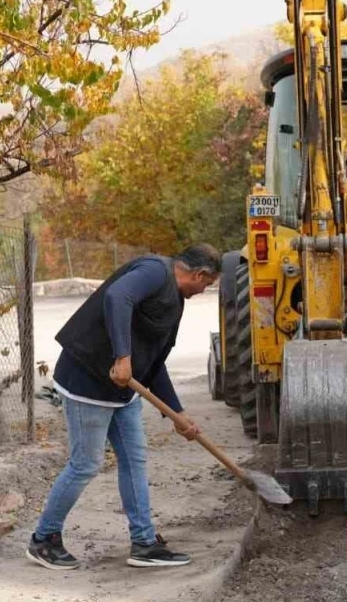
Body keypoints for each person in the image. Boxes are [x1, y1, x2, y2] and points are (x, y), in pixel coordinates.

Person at [27, 244, 221, 571]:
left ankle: (144, 542)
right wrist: (122, 357)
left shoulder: (174, 302)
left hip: (123, 391)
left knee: (134, 459)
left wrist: (176, 413)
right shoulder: (154, 272)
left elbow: (155, 362)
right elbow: (117, 296)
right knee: (85, 463)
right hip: (87, 380)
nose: (204, 291)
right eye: (208, 284)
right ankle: (43, 539)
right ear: (199, 275)